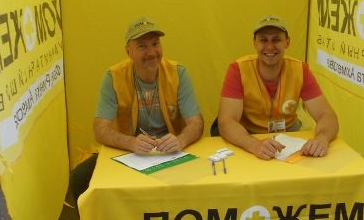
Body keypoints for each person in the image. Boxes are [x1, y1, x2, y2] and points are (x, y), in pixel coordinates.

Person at [71, 17, 204, 203]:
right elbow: (99, 130)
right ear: (128, 51)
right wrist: (131, 143)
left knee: (205, 178)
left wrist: (180, 141)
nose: (151, 52)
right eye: (142, 46)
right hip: (129, 152)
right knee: (79, 178)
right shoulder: (113, 77)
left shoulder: (179, 73)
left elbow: (196, 123)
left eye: (155, 44)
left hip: (170, 152)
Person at [218, 15, 338, 160]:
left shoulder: (300, 70)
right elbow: (226, 121)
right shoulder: (238, 69)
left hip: (290, 136)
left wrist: (322, 138)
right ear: (254, 43)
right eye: (263, 40)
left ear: (287, 42)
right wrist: (254, 145)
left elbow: (327, 115)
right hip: (250, 135)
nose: (269, 47)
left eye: (276, 40)